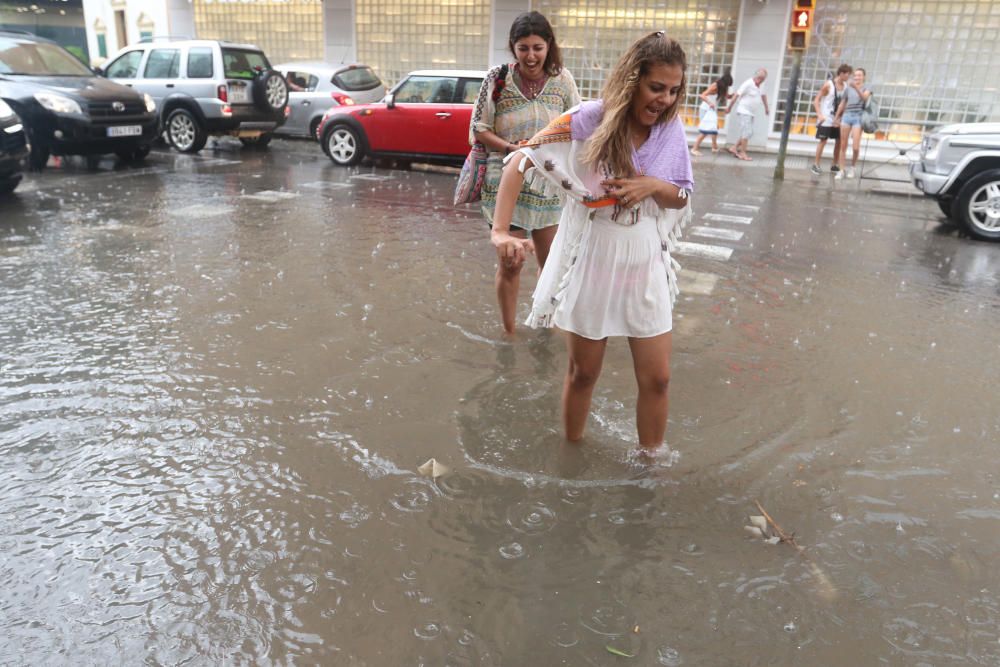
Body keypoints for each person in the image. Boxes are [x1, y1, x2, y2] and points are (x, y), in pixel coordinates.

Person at [490, 31, 693, 453]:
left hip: (644, 259)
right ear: (632, 80)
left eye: (674, 90)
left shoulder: (671, 132)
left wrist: (652, 185)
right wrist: (501, 231)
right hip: (595, 253)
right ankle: (571, 456)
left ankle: (650, 465)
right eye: (657, 88)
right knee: (584, 374)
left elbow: (682, 195)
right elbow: (521, 161)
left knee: (658, 379)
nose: (665, 99)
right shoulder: (588, 118)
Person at [470, 10, 581, 334]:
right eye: (523, 48)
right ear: (513, 48)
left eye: (537, 47)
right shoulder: (497, 78)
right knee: (511, 264)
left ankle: (547, 326)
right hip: (506, 185)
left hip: (549, 188)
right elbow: (479, 128)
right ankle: (509, 333)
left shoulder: (563, 82)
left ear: (549, 46)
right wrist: (510, 148)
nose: (531, 56)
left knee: (552, 265)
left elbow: (578, 126)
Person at [810, 64, 851, 175]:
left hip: (839, 119)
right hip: (827, 118)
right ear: (841, 73)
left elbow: (845, 103)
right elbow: (816, 100)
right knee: (823, 141)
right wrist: (819, 115)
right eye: (847, 74)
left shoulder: (846, 86)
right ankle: (816, 164)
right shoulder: (829, 85)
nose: (848, 77)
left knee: (839, 142)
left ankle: (834, 165)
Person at [835, 67, 872, 179]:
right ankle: (841, 170)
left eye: (859, 75)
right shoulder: (848, 89)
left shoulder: (867, 87)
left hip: (858, 117)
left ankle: (853, 167)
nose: (857, 77)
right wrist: (836, 118)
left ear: (863, 77)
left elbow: (865, 98)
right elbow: (842, 104)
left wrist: (855, 87)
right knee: (843, 145)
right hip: (846, 116)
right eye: (855, 75)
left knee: (855, 147)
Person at [726, 68, 769, 161]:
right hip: (743, 110)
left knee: (748, 133)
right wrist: (729, 108)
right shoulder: (748, 83)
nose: (760, 80)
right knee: (747, 132)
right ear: (755, 76)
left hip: (751, 112)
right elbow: (736, 95)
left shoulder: (762, 85)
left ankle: (734, 147)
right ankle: (743, 153)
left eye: (762, 79)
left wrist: (766, 108)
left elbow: (763, 95)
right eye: (759, 78)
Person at [690, 69, 733, 156]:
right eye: (728, 85)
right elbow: (702, 95)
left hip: (711, 110)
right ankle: (694, 149)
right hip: (705, 109)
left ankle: (714, 147)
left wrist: (734, 95)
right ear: (725, 83)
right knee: (706, 130)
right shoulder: (715, 86)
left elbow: (727, 97)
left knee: (714, 129)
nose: (728, 87)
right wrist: (710, 103)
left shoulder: (722, 88)